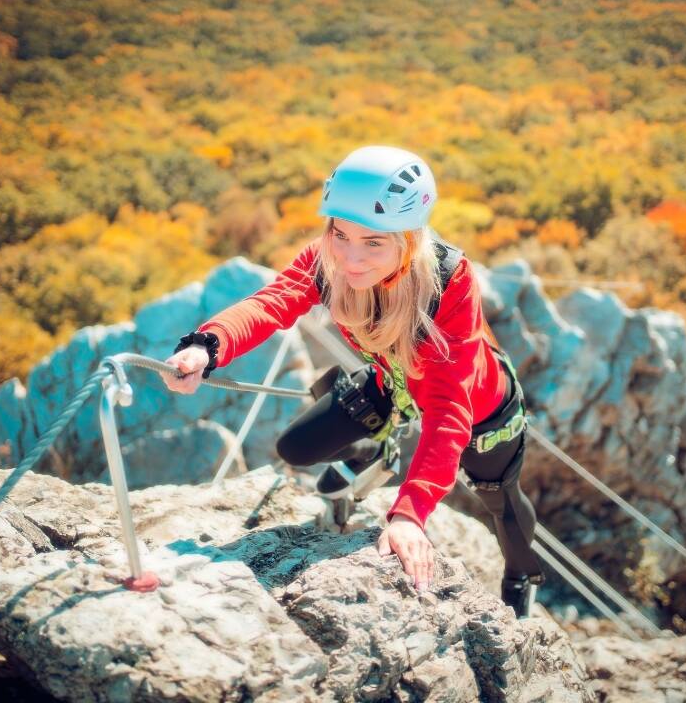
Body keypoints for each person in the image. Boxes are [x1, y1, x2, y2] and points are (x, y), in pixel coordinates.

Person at [161, 145, 545, 617]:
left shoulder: (448, 281)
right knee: (296, 450)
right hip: (392, 382)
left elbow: (449, 403)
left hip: (482, 407)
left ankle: (522, 574)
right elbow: (271, 303)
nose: (350, 258)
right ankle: (375, 448)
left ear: (408, 240)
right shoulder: (328, 260)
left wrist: (409, 514)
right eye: (340, 234)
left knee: (500, 499)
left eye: (373, 242)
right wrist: (208, 345)